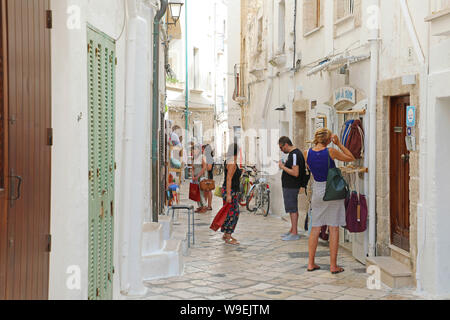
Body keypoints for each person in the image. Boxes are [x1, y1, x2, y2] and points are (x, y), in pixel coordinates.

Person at [304, 128, 356, 274]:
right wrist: (339, 144)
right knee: (333, 227)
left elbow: (310, 168)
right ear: (328, 140)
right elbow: (350, 157)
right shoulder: (331, 152)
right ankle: (333, 266)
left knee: (315, 227)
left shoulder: (307, 153)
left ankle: (310, 263)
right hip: (332, 190)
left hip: (317, 191)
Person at [279, 137, 306, 241]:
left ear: (286, 144)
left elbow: (295, 173)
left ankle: (294, 232)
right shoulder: (293, 154)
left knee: (292, 208)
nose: (281, 150)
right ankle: (292, 230)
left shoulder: (294, 154)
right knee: (291, 208)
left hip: (291, 186)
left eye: (281, 148)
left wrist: (282, 167)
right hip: (290, 186)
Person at [221, 143, 242, 245]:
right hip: (230, 191)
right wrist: (229, 194)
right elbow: (229, 178)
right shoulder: (232, 162)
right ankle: (228, 236)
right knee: (233, 213)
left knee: (228, 212)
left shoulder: (228, 160)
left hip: (228, 190)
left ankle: (226, 234)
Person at [191, 143, 208, 213]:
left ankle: (204, 206)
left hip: (201, 177)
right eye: (193, 150)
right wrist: (192, 176)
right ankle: (200, 206)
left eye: (195, 149)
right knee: (196, 192)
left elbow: (204, 168)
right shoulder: (194, 158)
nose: (193, 151)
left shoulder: (202, 157)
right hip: (195, 177)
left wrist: (198, 176)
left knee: (201, 192)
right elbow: (192, 168)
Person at [203, 144, 215, 211]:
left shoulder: (209, 158)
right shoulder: (207, 157)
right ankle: (205, 205)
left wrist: (204, 166)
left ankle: (209, 206)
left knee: (208, 191)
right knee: (206, 191)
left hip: (209, 176)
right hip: (207, 176)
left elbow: (209, 168)